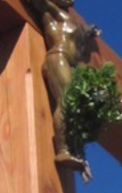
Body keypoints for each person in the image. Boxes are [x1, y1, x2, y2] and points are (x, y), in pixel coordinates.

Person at [25, 0, 99, 174]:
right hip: (59, 58)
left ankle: (75, 150)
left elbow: (82, 32)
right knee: (66, 100)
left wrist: (90, 31)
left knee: (78, 107)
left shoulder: (75, 24)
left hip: (72, 65)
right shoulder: (53, 12)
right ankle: (62, 150)